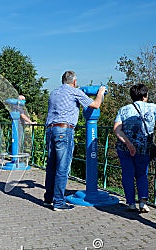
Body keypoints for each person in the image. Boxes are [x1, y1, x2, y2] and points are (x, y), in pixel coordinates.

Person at [44, 70, 106, 211]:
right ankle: (59, 202)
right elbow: (95, 105)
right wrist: (101, 92)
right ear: (74, 82)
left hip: (50, 130)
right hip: (64, 130)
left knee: (51, 166)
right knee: (62, 167)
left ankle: (48, 198)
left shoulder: (54, 92)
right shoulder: (75, 91)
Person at [114, 84, 153, 213]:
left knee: (128, 174)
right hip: (144, 148)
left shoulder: (123, 110)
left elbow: (117, 130)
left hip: (124, 147)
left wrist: (129, 144)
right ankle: (143, 203)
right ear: (145, 96)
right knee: (142, 174)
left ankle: (131, 203)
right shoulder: (153, 108)